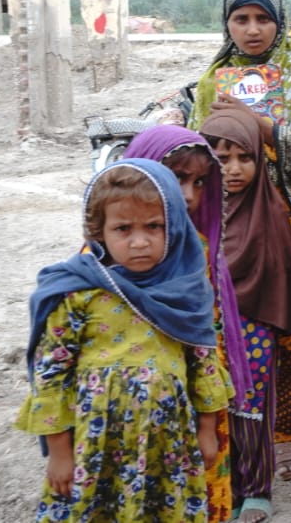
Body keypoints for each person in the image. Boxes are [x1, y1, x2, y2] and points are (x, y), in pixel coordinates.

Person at [17, 160, 231, 523]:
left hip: (167, 445)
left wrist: (208, 431)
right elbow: (51, 374)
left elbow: (204, 363)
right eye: (122, 228)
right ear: (98, 233)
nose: (139, 241)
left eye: (154, 226)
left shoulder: (186, 294)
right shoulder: (78, 291)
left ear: (175, 227)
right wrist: (60, 452)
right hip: (94, 446)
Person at [188, 0, 291, 486]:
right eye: (241, 19)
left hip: (288, 216)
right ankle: (233, 426)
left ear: (278, 22)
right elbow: (197, 153)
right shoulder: (213, 78)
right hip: (229, 217)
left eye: (263, 18)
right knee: (231, 330)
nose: (252, 29)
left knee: (289, 330)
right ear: (227, 24)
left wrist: (260, 124)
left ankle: (285, 432)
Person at [124, 126, 252, 522]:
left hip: (199, 409)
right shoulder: (104, 264)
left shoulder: (197, 251)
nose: (189, 195)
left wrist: (209, 422)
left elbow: (207, 345)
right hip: (129, 417)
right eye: (177, 177)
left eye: (199, 181)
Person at [200, 104, 291, 522]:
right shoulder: (192, 213)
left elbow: (282, 276)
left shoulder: (271, 212)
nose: (234, 168)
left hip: (254, 327)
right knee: (213, 410)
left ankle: (257, 488)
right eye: (221, 157)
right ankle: (223, 487)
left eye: (245, 156)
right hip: (207, 332)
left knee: (251, 406)